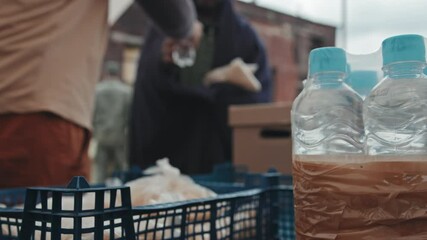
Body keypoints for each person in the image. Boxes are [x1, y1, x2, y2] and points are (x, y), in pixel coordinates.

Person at [0, 0, 200, 188]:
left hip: (21, 101)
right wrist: (187, 28)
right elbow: (174, 12)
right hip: (34, 112)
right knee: (43, 219)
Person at [130, 0, 272, 174]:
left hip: (220, 164)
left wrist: (214, 93)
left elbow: (256, 104)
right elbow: (148, 86)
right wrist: (163, 61)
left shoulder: (245, 37)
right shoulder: (164, 25)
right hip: (166, 156)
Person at [92, 62, 132, 183]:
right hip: (119, 135)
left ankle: (97, 195)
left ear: (106, 72)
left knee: (100, 169)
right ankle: (120, 195)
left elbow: (93, 112)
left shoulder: (97, 90)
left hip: (101, 134)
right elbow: (128, 114)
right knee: (120, 168)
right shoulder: (126, 91)